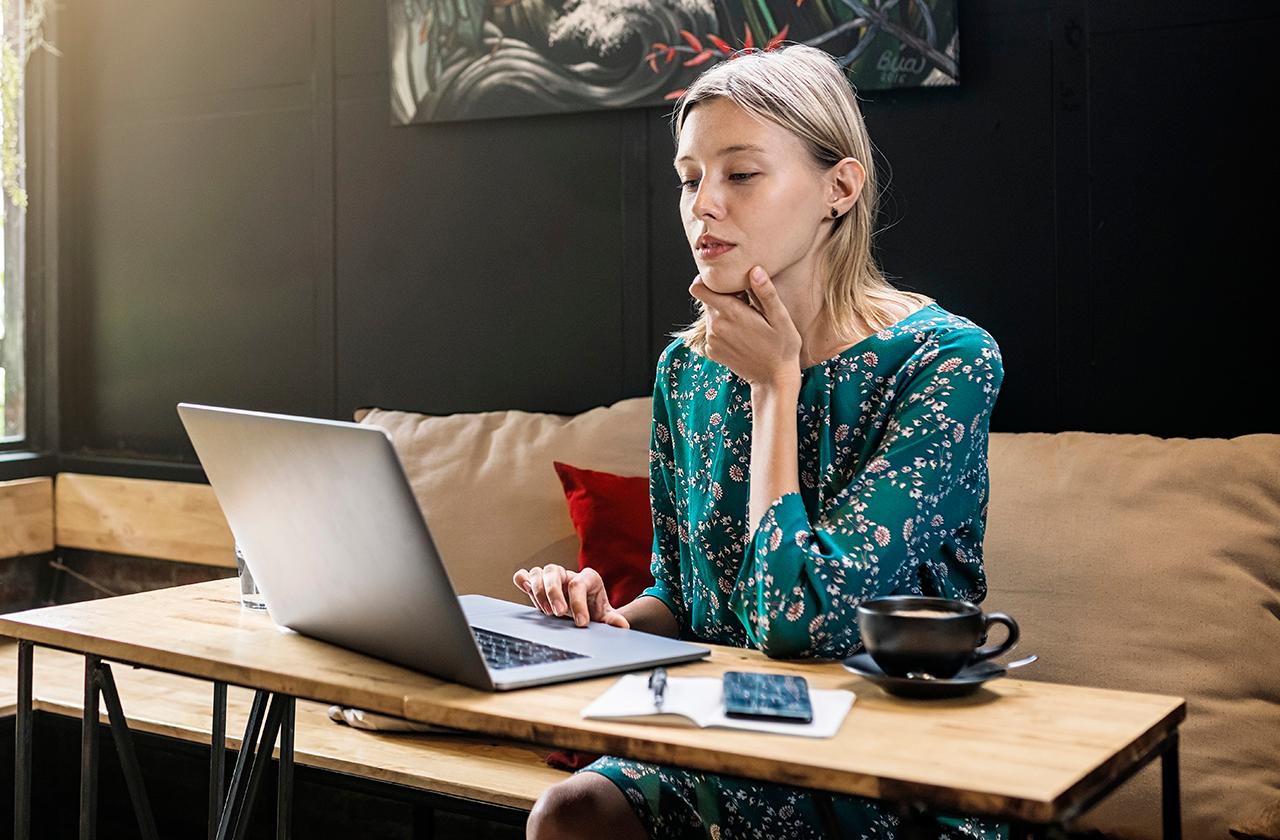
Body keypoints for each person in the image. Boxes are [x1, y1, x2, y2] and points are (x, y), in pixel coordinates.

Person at [512, 43, 1006, 840]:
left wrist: (778, 386)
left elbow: (798, 625)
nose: (703, 205)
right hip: (720, 733)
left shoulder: (945, 362)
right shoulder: (689, 370)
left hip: (886, 754)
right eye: (688, 178)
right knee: (569, 812)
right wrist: (609, 625)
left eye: (740, 174)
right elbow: (683, 596)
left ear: (837, 189)